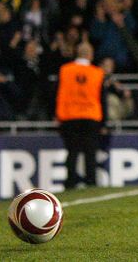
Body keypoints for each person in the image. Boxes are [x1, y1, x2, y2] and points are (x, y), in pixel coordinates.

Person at [55, 43, 105, 189]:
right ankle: (91, 182)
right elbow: (102, 98)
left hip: (70, 116)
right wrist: (104, 121)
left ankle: (70, 183)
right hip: (91, 116)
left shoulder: (65, 70)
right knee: (90, 152)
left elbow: (57, 94)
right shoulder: (97, 72)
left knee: (72, 151)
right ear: (90, 54)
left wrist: (58, 115)